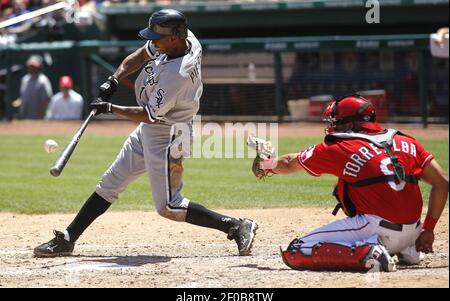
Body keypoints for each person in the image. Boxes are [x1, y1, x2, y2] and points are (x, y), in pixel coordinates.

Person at [34, 9, 258, 258]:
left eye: (157, 38)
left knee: (169, 206)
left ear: (173, 37)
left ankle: (236, 226)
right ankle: (68, 238)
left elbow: (151, 114)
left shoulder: (179, 73)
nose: (152, 42)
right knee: (110, 183)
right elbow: (141, 54)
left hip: (170, 134)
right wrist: (114, 79)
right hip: (152, 129)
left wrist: (110, 108)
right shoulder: (184, 39)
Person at [252, 95, 448, 272]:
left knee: (297, 250)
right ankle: (407, 252)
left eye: (336, 122)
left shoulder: (342, 146)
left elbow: (287, 163)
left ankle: (370, 254)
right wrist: (428, 228)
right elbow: (442, 183)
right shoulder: (407, 141)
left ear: (350, 124)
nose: (333, 126)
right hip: (414, 234)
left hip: (376, 228)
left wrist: (265, 163)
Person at [19, 55, 53, 119]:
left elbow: (46, 100)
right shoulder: (25, 79)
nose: (31, 69)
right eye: (30, 66)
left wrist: (41, 116)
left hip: (39, 119)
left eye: (33, 67)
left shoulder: (43, 81)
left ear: (38, 67)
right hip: (26, 118)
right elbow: (24, 96)